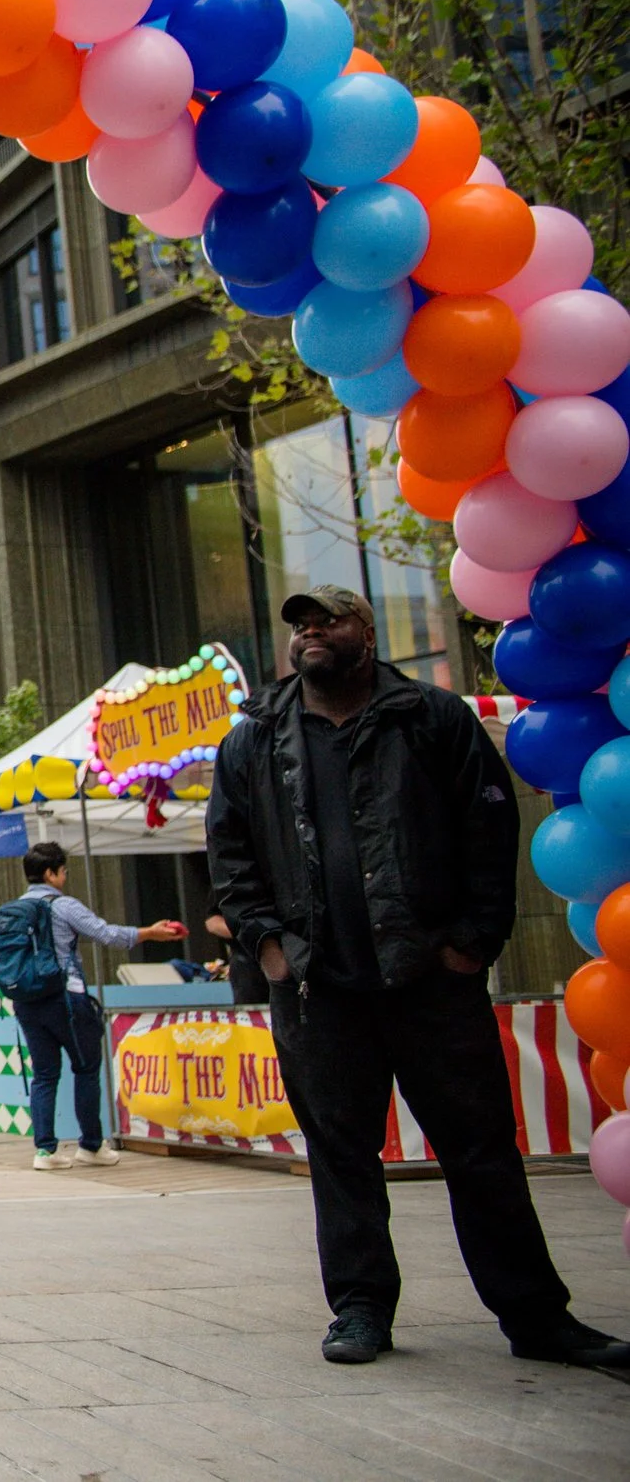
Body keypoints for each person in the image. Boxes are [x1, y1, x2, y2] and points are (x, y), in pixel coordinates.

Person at [209, 583, 630, 1371]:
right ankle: (361, 1307)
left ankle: (537, 1317)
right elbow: (230, 856)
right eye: (300, 625)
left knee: (481, 1152)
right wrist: (269, 945)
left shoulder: (430, 719)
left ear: (363, 632)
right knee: (341, 1155)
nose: (310, 634)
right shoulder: (258, 736)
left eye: (326, 620)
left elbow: (489, 827)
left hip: (431, 983)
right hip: (316, 987)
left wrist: (472, 942)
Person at [0, 842, 184, 1171]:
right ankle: (91, 1146)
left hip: (26, 1002)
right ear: (51, 873)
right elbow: (106, 934)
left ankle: (45, 1151)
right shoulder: (63, 905)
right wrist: (150, 933)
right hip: (65, 998)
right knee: (85, 1069)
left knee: (44, 1075)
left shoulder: (13, 909)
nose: (65, 877)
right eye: (64, 871)